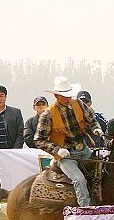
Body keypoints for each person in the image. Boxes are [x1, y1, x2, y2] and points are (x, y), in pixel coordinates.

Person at [34, 76, 104, 207]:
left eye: (69, 95)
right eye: (64, 95)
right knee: (79, 180)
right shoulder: (47, 115)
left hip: (84, 150)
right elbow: (39, 140)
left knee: (103, 170)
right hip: (65, 156)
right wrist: (57, 150)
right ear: (56, 95)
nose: (67, 98)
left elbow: (92, 120)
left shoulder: (79, 104)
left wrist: (96, 130)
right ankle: (85, 210)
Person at [0, 84, 24, 220]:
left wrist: (15, 152)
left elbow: (20, 133)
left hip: (11, 157)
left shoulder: (15, 113)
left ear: (6, 97)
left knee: (14, 190)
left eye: (1, 95)